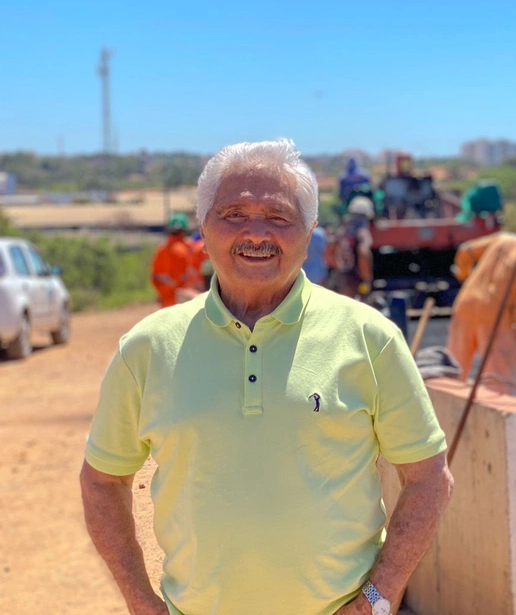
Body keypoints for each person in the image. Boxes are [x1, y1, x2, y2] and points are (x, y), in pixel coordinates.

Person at [81, 139, 453, 615]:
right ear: (203, 225)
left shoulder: (369, 338)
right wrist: (139, 600)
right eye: (233, 213)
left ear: (311, 229)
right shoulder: (147, 347)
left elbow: (429, 479)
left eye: (278, 217)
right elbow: (102, 482)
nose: (255, 233)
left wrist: (377, 598)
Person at [448, 231, 516, 394]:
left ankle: (445, 411)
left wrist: (465, 275)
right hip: (496, 322)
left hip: (465, 306)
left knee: (454, 369)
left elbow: (465, 251)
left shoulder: (503, 240)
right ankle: (498, 418)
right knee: (499, 381)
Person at [330, 195, 375, 299]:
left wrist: (338, 268)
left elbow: (330, 250)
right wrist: (367, 278)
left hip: (341, 279)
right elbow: (363, 252)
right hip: (354, 280)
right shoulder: (362, 231)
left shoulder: (342, 230)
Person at [150, 213, 196, 308]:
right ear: (184, 231)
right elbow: (187, 277)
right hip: (181, 302)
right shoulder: (184, 250)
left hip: (165, 301)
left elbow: (154, 277)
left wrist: (162, 292)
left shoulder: (161, 250)